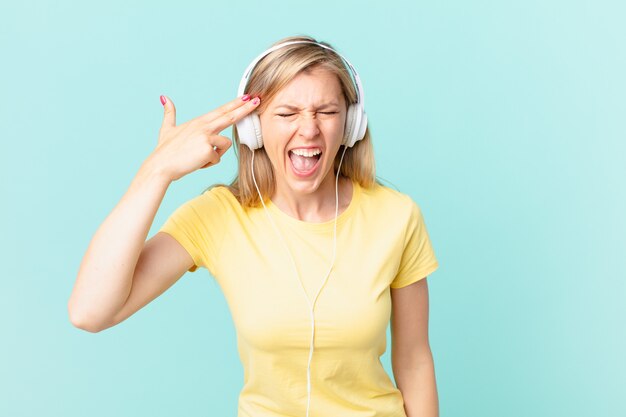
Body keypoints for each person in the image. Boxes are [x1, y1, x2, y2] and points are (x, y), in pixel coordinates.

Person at [68, 35, 440, 417]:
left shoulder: (396, 217)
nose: (309, 129)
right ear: (254, 128)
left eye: (326, 111)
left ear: (351, 124)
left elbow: (414, 360)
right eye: (286, 113)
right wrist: (157, 171)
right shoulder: (219, 216)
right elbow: (90, 311)